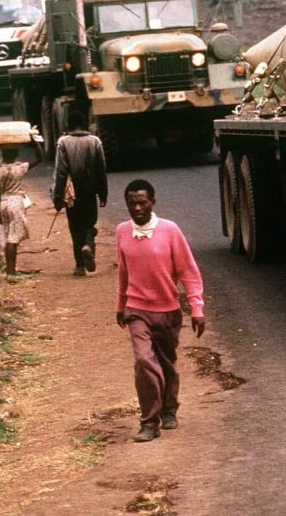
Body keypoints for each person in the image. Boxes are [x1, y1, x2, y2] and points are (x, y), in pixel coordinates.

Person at [115, 179, 205, 443]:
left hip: (167, 310)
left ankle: (169, 408)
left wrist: (197, 307)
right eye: (132, 203)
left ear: (153, 203)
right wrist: (121, 305)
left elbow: (188, 272)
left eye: (142, 202)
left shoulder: (170, 230)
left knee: (166, 362)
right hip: (136, 309)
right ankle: (149, 421)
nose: (137, 208)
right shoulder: (122, 231)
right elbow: (123, 272)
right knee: (144, 361)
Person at [52, 111, 108, 277]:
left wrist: (57, 196)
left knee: (75, 227)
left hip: (72, 193)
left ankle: (79, 266)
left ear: (68, 124)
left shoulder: (63, 142)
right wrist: (103, 193)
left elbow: (60, 172)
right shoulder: (95, 141)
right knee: (90, 222)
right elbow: (101, 170)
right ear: (84, 124)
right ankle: (89, 245)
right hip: (90, 190)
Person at [0, 137, 45, 281]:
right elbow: (40, 157)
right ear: (16, 154)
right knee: (13, 239)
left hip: (3, 202)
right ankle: (11, 272)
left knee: (9, 235)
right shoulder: (20, 168)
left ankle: (10, 270)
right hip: (16, 202)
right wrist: (35, 141)